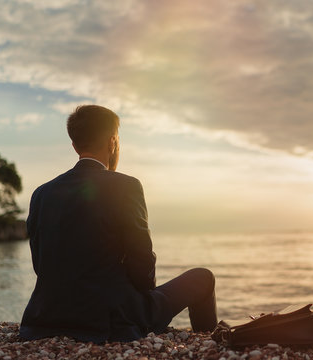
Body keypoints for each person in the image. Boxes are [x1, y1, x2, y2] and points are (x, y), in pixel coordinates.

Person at [20, 105, 217, 343]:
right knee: (203, 277)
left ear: (74, 145)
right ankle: (211, 344)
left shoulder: (41, 193)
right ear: (113, 141)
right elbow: (141, 260)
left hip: (43, 318)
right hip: (110, 319)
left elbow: (41, 264)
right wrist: (143, 293)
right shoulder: (126, 186)